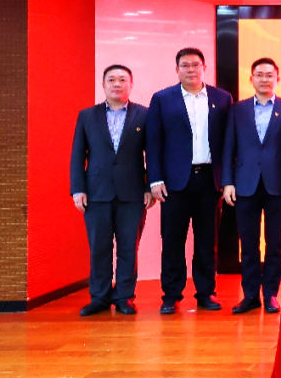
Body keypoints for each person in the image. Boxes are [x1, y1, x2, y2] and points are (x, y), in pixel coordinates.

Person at [146, 47, 232, 315]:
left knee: (207, 241)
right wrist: (155, 179)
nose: (191, 69)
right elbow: (154, 142)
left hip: (210, 181)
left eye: (196, 65)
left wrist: (227, 178)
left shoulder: (222, 98)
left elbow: (228, 143)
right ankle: (171, 295)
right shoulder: (162, 99)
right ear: (177, 70)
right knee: (173, 241)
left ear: (204, 68)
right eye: (185, 65)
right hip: (174, 183)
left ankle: (206, 292)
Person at [69, 65, 154, 316]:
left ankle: (125, 297)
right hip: (96, 193)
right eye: (111, 80)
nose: (117, 84)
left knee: (128, 248)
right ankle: (100, 297)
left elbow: (153, 154)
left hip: (133, 193)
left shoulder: (144, 115)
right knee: (99, 248)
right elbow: (77, 154)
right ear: (103, 85)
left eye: (122, 80)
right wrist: (78, 188)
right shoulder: (87, 116)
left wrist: (149, 186)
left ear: (131, 84)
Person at [221, 58, 281, 314]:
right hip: (244, 184)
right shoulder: (238, 109)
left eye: (269, 75)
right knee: (248, 244)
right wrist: (227, 182)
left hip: (279, 184)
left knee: (274, 243)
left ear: (277, 79)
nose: (264, 79)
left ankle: (271, 295)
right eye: (259, 74)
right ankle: (250, 295)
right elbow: (228, 147)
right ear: (251, 79)